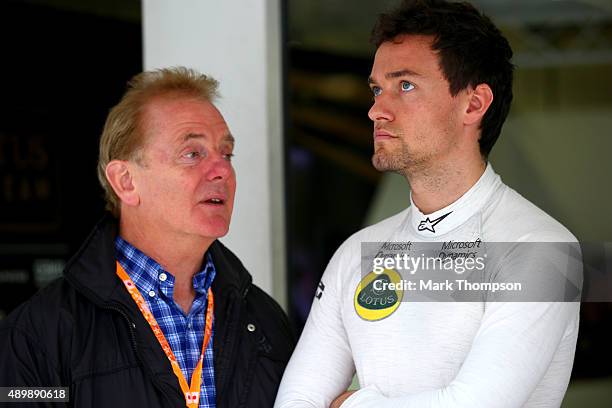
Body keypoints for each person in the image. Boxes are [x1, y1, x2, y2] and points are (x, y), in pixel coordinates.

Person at [274, 1, 581, 407]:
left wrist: (350, 404)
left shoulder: (545, 249)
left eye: (405, 85)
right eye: (376, 89)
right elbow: (296, 401)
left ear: (474, 104)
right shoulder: (355, 253)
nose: (376, 110)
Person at [0, 67, 295, 407]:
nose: (223, 171)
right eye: (192, 154)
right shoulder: (38, 335)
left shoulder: (264, 321)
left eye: (226, 154)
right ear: (125, 181)